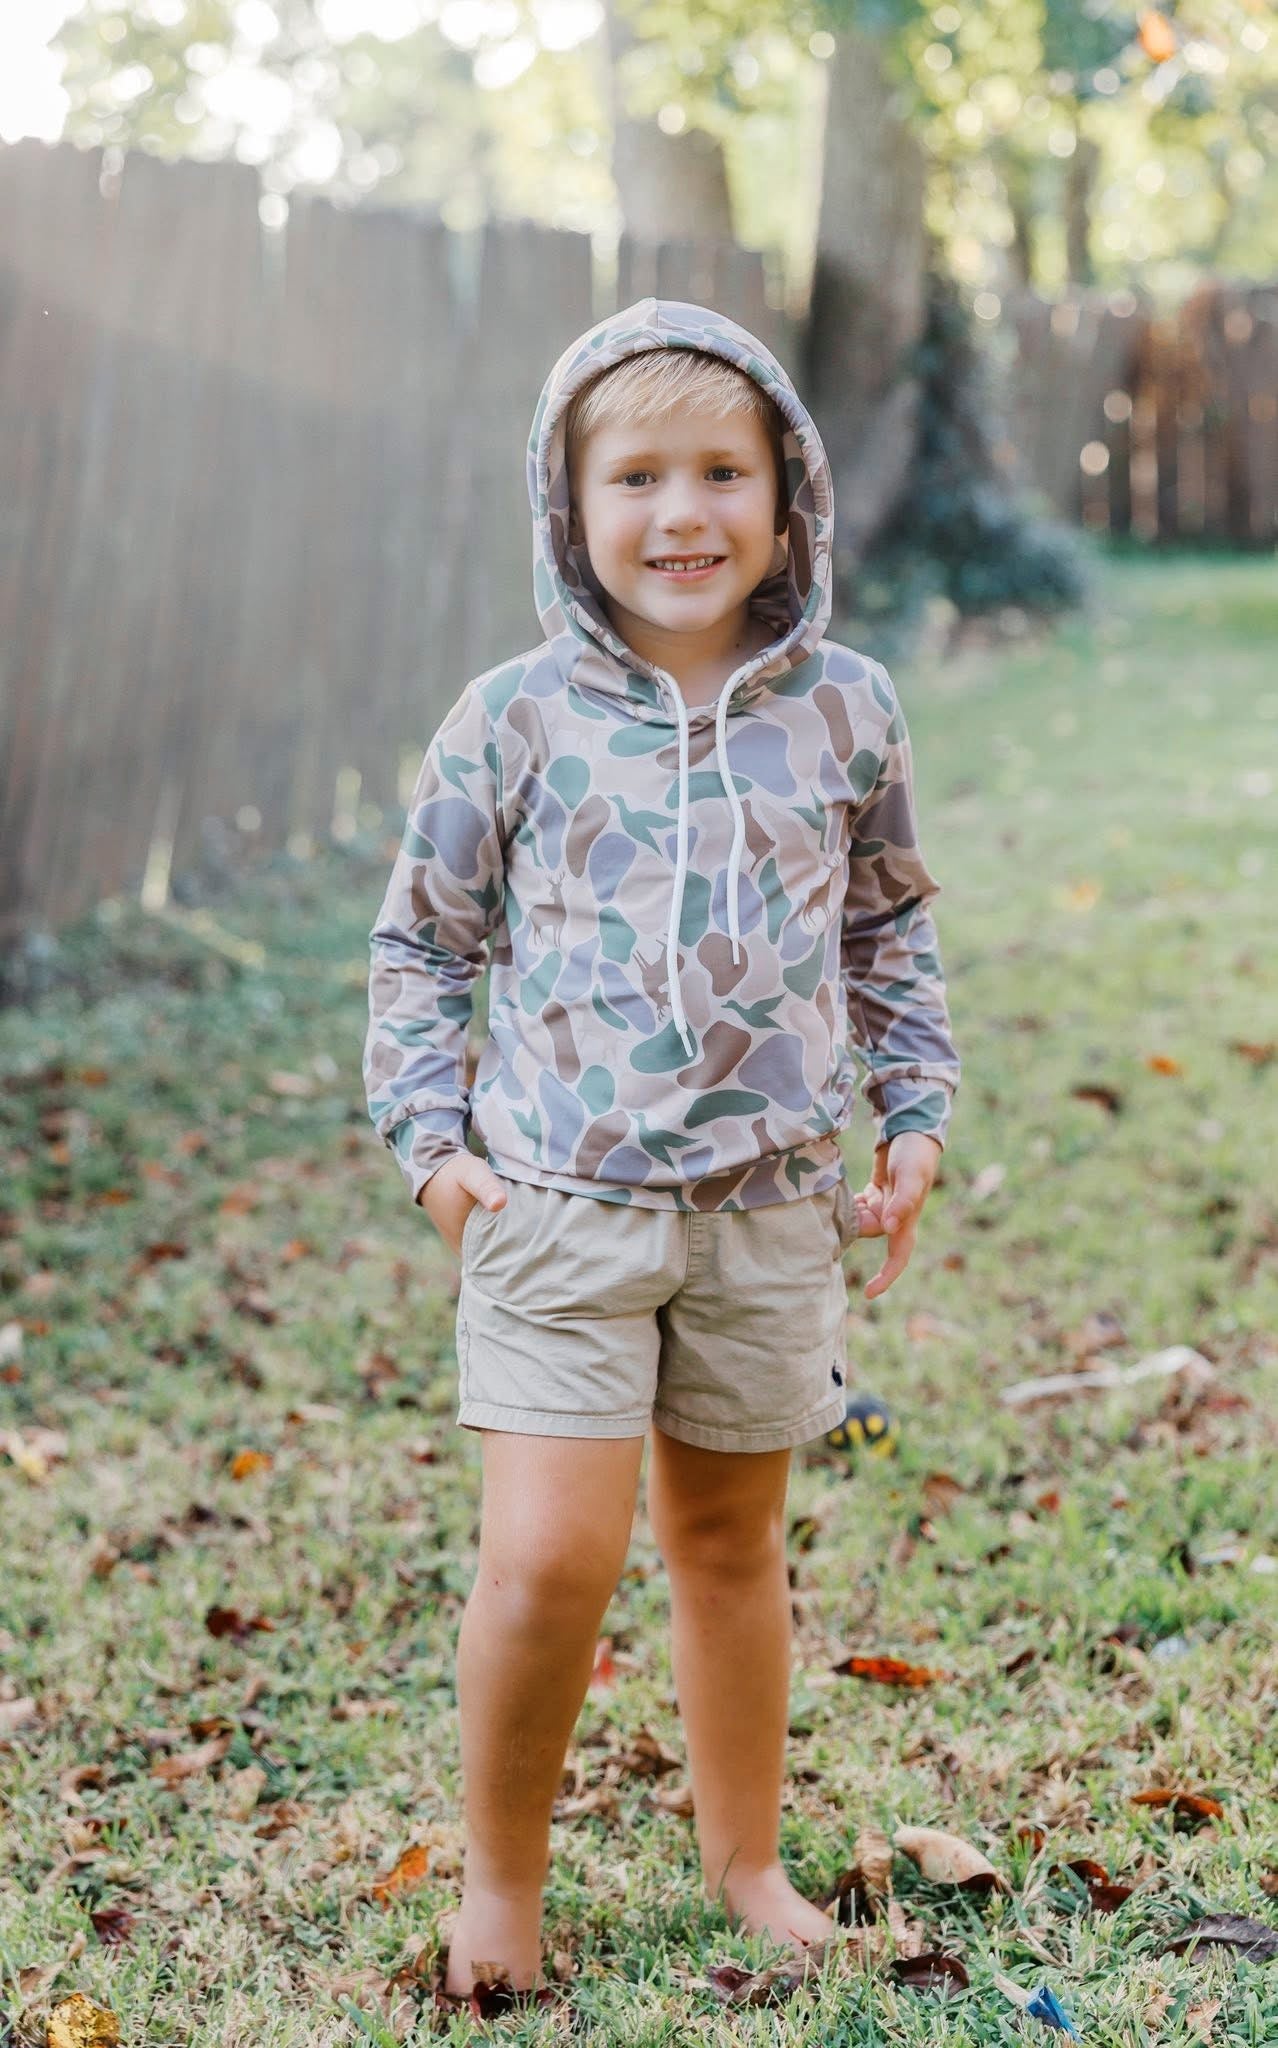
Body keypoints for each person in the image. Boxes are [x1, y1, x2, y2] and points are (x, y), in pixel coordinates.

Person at [362, 298, 960, 1997]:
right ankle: (500, 1888)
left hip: (770, 1213)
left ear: (789, 497)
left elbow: (886, 930)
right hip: (556, 1209)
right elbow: (421, 945)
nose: (680, 512)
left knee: (726, 1546)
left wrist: (915, 1110)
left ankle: (745, 1862)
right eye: (634, 477)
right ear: (568, 505)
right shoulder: (511, 718)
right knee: (548, 1557)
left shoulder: (845, 709)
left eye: (721, 473)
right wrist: (430, 1146)